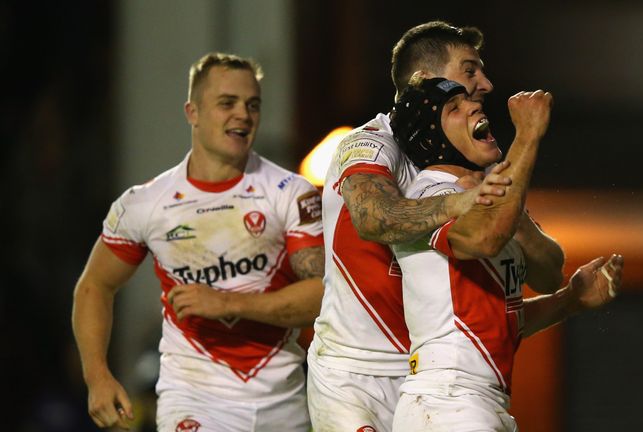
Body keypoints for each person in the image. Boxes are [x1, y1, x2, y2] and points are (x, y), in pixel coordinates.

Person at [307, 21, 564, 432]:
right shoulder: (372, 142)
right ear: (424, 80)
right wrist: (464, 201)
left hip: (426, 374)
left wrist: (570, 298)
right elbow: (375, 218)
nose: (486, 83)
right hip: (357, 375)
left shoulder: (472, 167)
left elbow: (502, 301)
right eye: (469, 71)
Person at [72, 52, 324, 431]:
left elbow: (322, 295)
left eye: (252, 104)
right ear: (192, 112)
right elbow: (94, 286)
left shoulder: (292, 193)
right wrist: (97, 377)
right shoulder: (145, 203)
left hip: (283, 401)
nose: (243, 114)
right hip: (195, 400)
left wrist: (225, 302)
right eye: (227, 103)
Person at [389, 76, 624, 431]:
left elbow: (547, 272)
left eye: (469, 100)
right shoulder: (426, 195)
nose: (474, 105)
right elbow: (485, 237)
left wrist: (569, 299)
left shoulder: (489, 197)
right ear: (430, 139)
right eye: (455, 108)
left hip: (477, 401)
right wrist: (527, 136)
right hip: (446, 402)